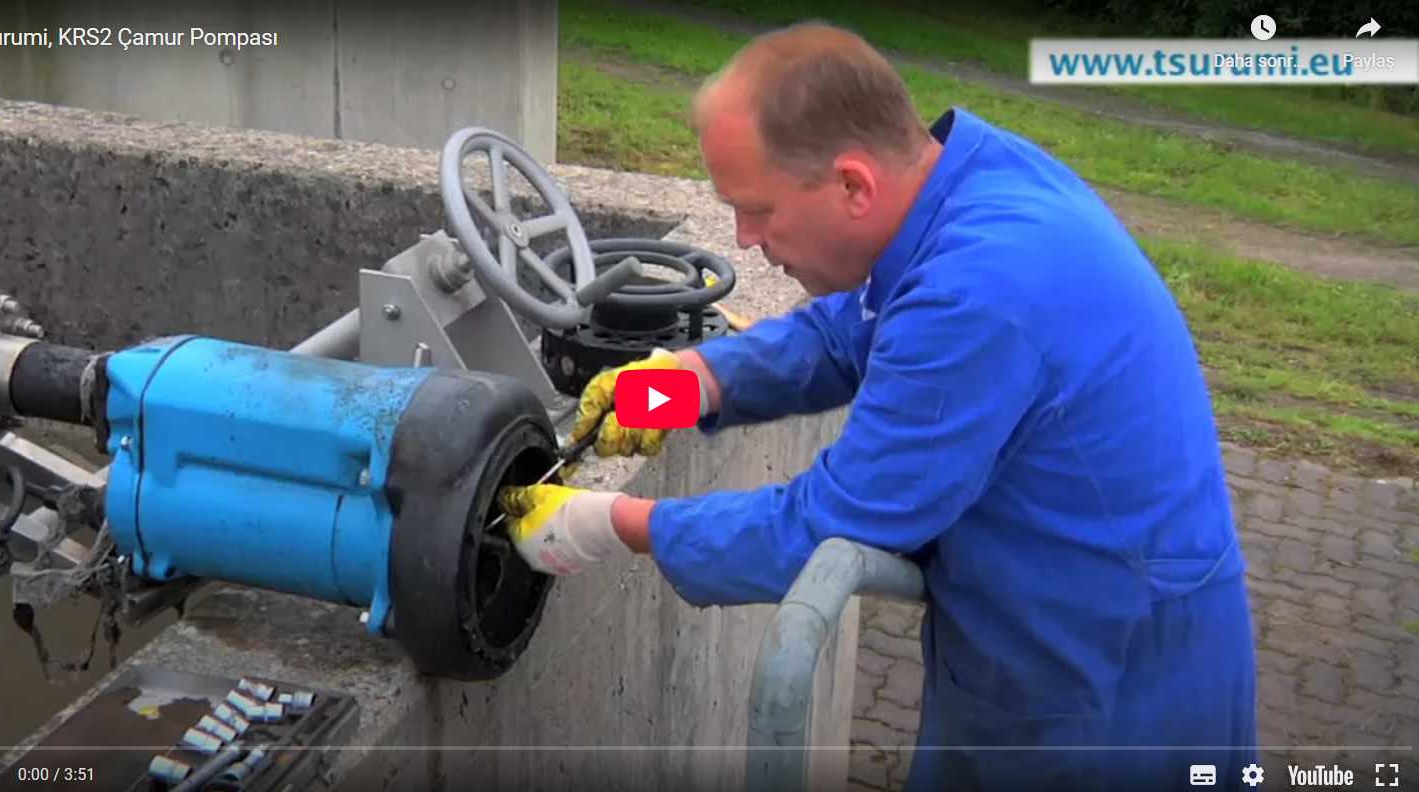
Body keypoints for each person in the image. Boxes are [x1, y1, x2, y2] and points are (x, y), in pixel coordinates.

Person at [498, 21, 1257, 792]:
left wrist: (602, 522)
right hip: (1048, 638)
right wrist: (680, 385)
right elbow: (852, 328)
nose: (744, 239)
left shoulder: (979, 293)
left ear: (853, 186)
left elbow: (825, 526)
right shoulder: (968, 188)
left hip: (1105, 695)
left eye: (756, 209)